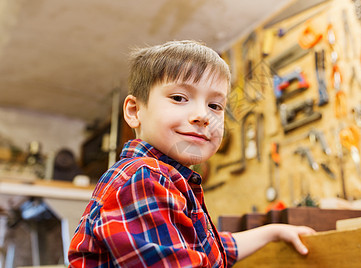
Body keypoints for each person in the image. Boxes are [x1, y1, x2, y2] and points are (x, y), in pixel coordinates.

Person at [68, 40, 315, 267]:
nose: (203, 116)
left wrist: (272, 232)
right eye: (179, 97)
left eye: (215, 106)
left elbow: (212, 249)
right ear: (135, 111)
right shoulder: (142, 178)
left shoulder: (167, 180)